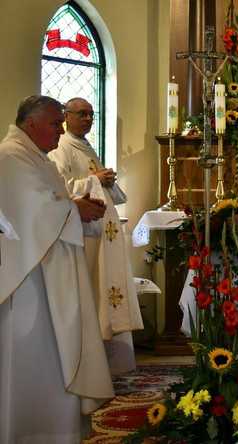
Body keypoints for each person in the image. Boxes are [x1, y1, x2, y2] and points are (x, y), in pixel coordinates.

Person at [0, 95, 114, 443]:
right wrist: (74, 209)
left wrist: (79, 208)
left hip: (51, 272)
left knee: (55, 354)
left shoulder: (39, 159)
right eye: (55, 123)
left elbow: (56, 202)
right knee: (34, 358)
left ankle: (56, 431)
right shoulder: (10, 156)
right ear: (31, 123)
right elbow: (30, 211)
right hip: (29, 280)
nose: (61, 129)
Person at [49, 97, 143, 375]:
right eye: (82, 114)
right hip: (83, 232)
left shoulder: (87, 147)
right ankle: (89, 361)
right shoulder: (61, 148)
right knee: (91, 290)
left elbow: (98, 186)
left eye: (91, 114)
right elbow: (60, 189)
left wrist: (106, 180)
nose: (89, 119)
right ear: (66, 116)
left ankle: (109, 359)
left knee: (103, 288)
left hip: (102, 233)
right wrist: (95, 180)